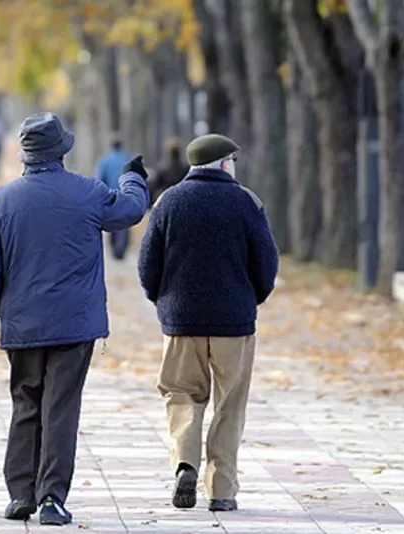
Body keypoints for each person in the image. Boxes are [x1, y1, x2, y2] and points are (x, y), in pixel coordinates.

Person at [0, 112, 149, 526]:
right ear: (61, 153)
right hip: (74, 323)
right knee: (61, 407)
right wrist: (133, 177)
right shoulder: (86, 192)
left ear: (25, 154)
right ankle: (52, 497)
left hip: (23, 323)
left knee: (25, 402)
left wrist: (2, 307)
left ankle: (20, 494)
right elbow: (130, 210)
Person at [137, 134, 278, 513]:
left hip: (181, 321)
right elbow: (266, 263)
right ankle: (222, 490)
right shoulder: (246, 202)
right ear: (224, 164)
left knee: (181, 393)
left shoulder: (168, 201)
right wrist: (253, 298)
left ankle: (185, 462)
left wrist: (162, 300)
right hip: (234, 322)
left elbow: (147, 263)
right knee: (229, 403)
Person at [94, 136, 133, 260]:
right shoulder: (128, 159)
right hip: (126, 195)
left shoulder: (104, 161)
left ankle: (114, 249)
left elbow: (99, 179)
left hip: (111, 195)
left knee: (112, 221)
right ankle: (122, 248)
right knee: (125, 222)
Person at [150, 139, 189, 206]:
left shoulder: (163, 170)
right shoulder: (186, 169)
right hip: (184, 201)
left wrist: (150, 203)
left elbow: (153, 189)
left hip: (167, 202)